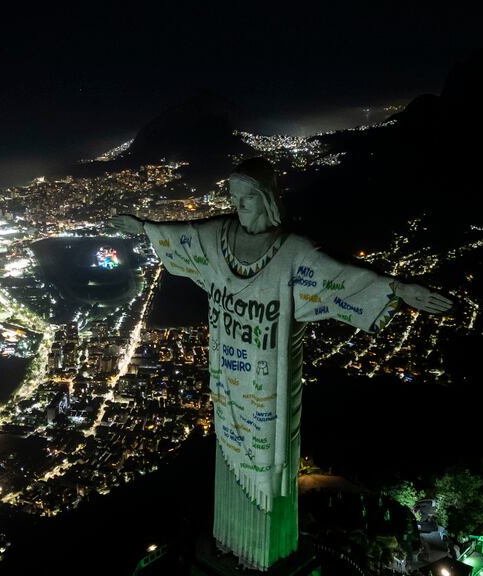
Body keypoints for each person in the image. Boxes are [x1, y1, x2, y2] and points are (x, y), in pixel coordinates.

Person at [110, 157, 452, 571]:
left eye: (247, 199)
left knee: (270, 465)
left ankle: (265, 552)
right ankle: (232, 543)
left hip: (267, 379)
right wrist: (145, 229)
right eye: (234, 198)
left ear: (266, 199)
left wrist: (395, 288)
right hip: (228, 372)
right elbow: (184, 237)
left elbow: (339, 275)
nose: (239, 206)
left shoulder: (292, 252)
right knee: (227, 454)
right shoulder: (218, 236)